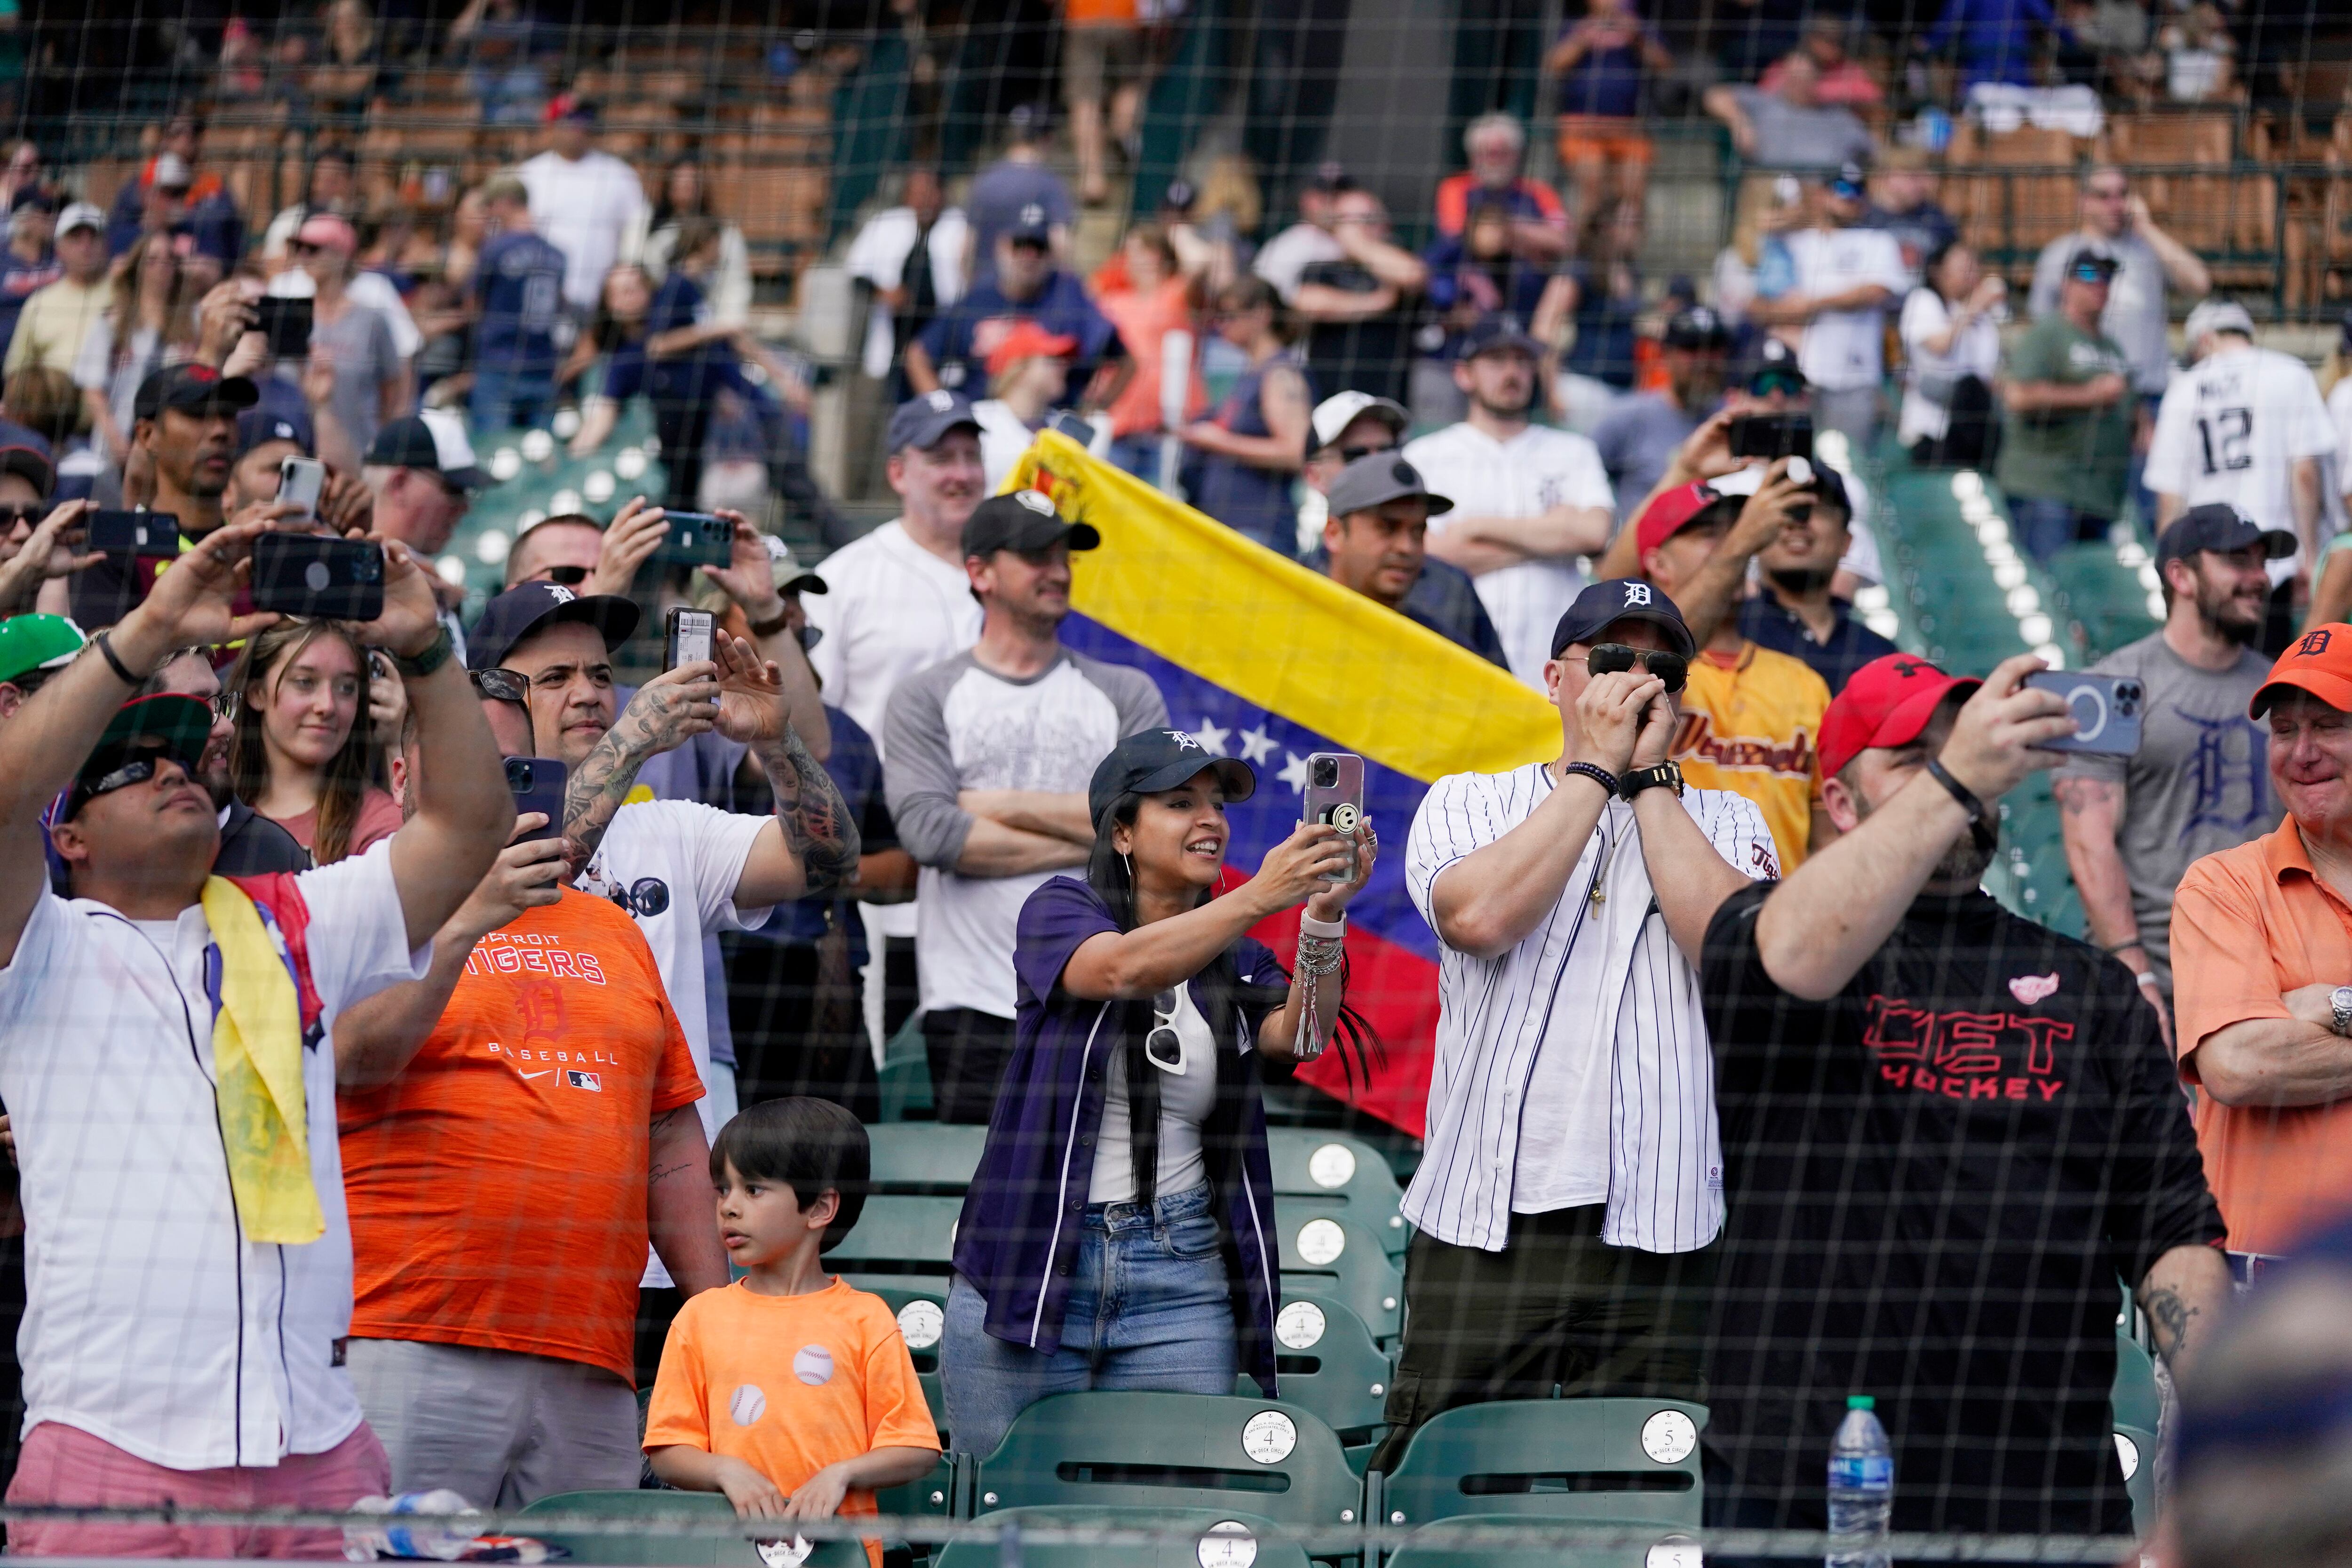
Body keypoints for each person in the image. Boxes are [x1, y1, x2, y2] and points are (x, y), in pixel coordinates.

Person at [0, 518, 510, 1558]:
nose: (177, 771)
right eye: (133, 766)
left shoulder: (290, 919)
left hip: (313, 1445)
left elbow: (467, 825)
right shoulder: (32, 943)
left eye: (191, 753)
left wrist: (423, 651)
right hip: (111, 1449)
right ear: (71, 834)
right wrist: (146, 632)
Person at [1698, 647, 2230, 1537]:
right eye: (1916, 758)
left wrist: (2230, 1415)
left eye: (1970, 755)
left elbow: (2170, 1227)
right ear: (1839, 800)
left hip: (2040, 1496)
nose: (1961, 778)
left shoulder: (2094, 990)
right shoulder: (1779, 942)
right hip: (1805, 1494)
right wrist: (1959, 775)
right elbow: (1788, 954)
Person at [1377, 576, 1777, 1472]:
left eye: (1660, 665)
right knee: (1448, 1481)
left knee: (1651, 1496)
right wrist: (1594, 774)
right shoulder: (1466, 799)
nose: (1636, 678)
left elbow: (1741, 962)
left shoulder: (1729, 817)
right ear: (1556, 677)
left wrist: (1649, 785)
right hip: (1488, 1221)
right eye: (1610, 658)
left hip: (1666, 1222)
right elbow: (1477, 919)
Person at [330, 657, 728, 1505]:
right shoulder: (358, 900)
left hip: (590, 1350)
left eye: (515, 770)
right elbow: (356, 1058)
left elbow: (670, 1138)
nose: (495, 794)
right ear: (401, 776)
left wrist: (720, 1317)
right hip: (408, 1332)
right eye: (470, 770)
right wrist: (470, 914)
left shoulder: (613, 928)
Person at [942, 727, 1375, 1459]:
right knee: (1006, 1520)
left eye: (1217, 805)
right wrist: (1258, 895)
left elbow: (1299, 1036)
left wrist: (1322, 912)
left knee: (1167, 1521)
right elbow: (1114, 972)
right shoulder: (1059, 908)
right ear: (1121, 832)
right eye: (1180, 803)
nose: (1209, 820)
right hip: (1035, 1261)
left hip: (1182, 1274)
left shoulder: (1235, 954)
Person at [885, 491, 1168, 1123]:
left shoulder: (1126, 691)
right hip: (972, 1004)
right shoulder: (926, 696)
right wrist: (1104, 830)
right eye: (1037, 555)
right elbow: (932, 833)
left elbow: (1158, 830)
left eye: (1063, 555)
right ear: (981, 572)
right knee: (992, 1210)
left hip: (1107, 994)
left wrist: (997, 805)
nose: (1060, 570)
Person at [645, 1100, 939, 1549]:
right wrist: (726, 1470)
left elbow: (916, 1448)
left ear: (820, 1207)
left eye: (754, 1189)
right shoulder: (700, 1317)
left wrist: (843, 1475)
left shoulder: (865, 1319)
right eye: (723, 1189)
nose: (729, 1207)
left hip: (840, 1556)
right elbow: (668, 1449)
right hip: (722, 1554)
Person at [2054, 503, 2280, 1048]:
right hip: (2156, 969)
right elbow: (2088, 843)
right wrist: (2135, 970)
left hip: (2266, 974)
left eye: (2260, 562)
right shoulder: (2110, 686)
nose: (2257, 578)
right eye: (2236, 561)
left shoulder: (2282, 691)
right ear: (2179, 576)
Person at [2169, 623, 2352, 1266]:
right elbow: (2238, 1065)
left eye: (2327, 725)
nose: (2301, 752)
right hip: (2263, 1291)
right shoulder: (2222, 885)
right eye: (2283, 731)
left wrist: (2327, 1005)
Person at [1403, 315, 1615, 688]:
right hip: (1457, 660)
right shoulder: (1426, 454)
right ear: (1464, 374)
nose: (1512, 372)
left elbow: (1595, 533)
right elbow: (1428, 556)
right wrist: (1551, 536)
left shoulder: (1573, 449)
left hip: (1554, 666)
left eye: (1522, 361)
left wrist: (1477, 529)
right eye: (1496, 361)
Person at [1632, 474, 1830, 871]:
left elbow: (1825, 834)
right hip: (1662, 914)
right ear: (1658, 562)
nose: (1734, 544)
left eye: (1738, 533)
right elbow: (1653, 664)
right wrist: (1740, 544)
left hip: (1774, 919)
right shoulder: (1632, 664)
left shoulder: (1804, 682)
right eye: (1710, 534)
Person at [2146, 299, 2338, 650]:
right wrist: (2310, 558)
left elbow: (2170, 498)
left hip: (2207, 567)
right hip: (2268, 560)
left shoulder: (2185, 387)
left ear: (2203, 340)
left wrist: (2169, 577)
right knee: (2267, 677)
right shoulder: (2290, 374)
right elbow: (2305, 475)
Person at [806, 393, 986, 750]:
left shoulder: (1019, 570)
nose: (962, 475)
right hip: (879, 798)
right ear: (898, 473)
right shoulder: (839, 579)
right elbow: (817, 723)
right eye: (942, 459)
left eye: (973, 457)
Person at [68, 364, 258, 630]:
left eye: (228, 414)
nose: (221, 431)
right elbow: (101, 664)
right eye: (198, 414)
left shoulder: (259, 547)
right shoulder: (112, 552)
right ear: (148, 435)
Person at [1746, 164, 1906, 449]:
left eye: (1858, 191)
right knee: (1795, 462)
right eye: (1842, 190)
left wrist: (1812, 302)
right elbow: (1759, 306)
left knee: (1848, 465)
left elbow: (1876, 291)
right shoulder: (1795, 243)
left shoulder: (1878, 241)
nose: (1850, 198)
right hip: (1799, 378)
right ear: (1821, 195)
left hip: (1856, 379)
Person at [2029, 167, 2212, 414]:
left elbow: (2200, 283)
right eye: (2104, 197)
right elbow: (2041, 322)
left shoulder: (2147, 249)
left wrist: (2147, 228)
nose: (2116, 205)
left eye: (2123, 195)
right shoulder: (2062, 254)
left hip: (2150, 391)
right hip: (2093, 395)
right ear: (2083, 202)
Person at [1998, 246, 2137, 563]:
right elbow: (2018, 396)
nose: (2099, 284)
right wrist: (2089, 396)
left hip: (2100, 497)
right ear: (2065, 284)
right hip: (2047, 489)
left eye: (2106, 277)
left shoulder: (2112, 346)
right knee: (2054, 588)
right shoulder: (2047, 334)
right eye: (2088, 275)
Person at [226, 619, 403, 865]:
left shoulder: (378, 824)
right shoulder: (213, 814)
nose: (327, 706)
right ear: (257, 693)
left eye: (346, 688)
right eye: (305, 682)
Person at [909, 211, 1125, 408]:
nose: (1029, 256)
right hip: (981, 419)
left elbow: (1124, 356)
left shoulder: (1068, 294)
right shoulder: (979, 297)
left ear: (1051, 254)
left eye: (1038, 248)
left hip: (1049, 423)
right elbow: (918, 353)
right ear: (1002, 247)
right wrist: (942, 410)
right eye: (1020, 245)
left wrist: (1098, 409)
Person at [1313, 453, 1507, 666]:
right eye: (1387, 528)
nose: (1407, 547)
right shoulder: (1289, 619)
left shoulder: (1444, 650)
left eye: (1418, 531)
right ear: (1334, 534)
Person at [144, 640, 312, 876]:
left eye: (220, 705)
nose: (226, 727)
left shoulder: (276, 858)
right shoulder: (82, 856)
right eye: (199, 710)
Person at [1734, 464, 1898, 694]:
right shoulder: (1725, 631)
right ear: (1758, 535)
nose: (1798, 523)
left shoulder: (1881, 655)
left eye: (1814, 509)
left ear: (1847, 542)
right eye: (1786, 510)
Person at [1179, 276, 1311, 553]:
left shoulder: (1280, 374)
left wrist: (1218, 441)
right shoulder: (1253, 372)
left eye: (1229, 315)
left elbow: (1296, 452)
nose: (1221, 325)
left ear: (1262, 314)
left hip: (1259, 531)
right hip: (1231, 530)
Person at [1291, 188, 1428, 409]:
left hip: (1386, 400)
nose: (1361, 227)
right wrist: (1377, 302)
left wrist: (1358, 245)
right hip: (1328, 399)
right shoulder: (1321, 268)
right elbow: (1308, 304)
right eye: (1349, 220)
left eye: (1368, 219)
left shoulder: (1398, 257)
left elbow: (1413, 275)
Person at [1594, 305, 1730, 522]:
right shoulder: (1628, 417)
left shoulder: (1732, 421)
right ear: (1666, 355)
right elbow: (1583, 480)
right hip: (1641, 548)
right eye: (1692, 349)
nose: (1705, 360)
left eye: (1714, 349)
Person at [73, 230, 198, 464]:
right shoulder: (112, 321)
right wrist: (116, 440)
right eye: (152, 259)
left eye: (169, 259)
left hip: (175, 442)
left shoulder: (193, 320)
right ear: (137, 267)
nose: (162, 266)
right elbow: (93, 390)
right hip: (118, 439)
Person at [289, 213, 406, 459]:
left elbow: (395, 389)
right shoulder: (291, 315)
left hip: (359, 450)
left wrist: (386, 445)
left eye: (313, 249)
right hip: (300, 449)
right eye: (298, 247)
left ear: (341, 255)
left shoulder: (371, 320)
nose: (303, 256)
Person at [519, 96, 647, 316]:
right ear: (552, 125)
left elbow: (637, 229)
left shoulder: (619, 174)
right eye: (569, 118)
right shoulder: (529, 175)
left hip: (602, 301)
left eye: (584, 118)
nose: (578, 126)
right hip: (541, 297)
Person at [1545, 0, 1672, 218]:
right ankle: (1587, 249)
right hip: (1582, 127)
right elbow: (1553, 66)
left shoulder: (1640, 28)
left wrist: (1636, 35)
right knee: (1592, 192)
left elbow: (1665, 65)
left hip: (1629, 127)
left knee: (1632, 197)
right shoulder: (1574, 27)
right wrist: (1582, 38)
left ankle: (1625, 250)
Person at [1094, 223, 1201, 479]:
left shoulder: (1176, 294)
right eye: (1132, 252)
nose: (1138, 260)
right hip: (1123, 424)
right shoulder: (1112, 302)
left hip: (1171, 426)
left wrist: (1179, 232)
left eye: (1147, 252)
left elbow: (1202, 263)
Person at [1533, 198, 1648, 433]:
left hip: (1624, 393)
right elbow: (1545, 327)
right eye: (1630, 223)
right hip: (1583, 388)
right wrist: (1551, 388)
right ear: (1606, 226)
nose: (1637, 231)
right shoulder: (1581, 269)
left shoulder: (1632, 271)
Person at [844, 167, 967, 386]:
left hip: (942, 334)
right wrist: (883, 292)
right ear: (907, 196)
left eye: (930, 192)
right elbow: (856, 273)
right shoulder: (886, 225)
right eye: (917, 193)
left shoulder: (962, 227)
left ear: (942, 194)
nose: (924, 200)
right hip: (895, 338)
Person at [470, 173, 568, 433]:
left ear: (505, 202)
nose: (489, 213)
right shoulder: (557, 254)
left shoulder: (495, 249)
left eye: (491, 205)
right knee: (540, 458)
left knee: (492, 455)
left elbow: (474, 305)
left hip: (499, 366)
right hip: (542, 366)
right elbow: (561, 306)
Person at [1899, 237, 2005, 467]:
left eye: (1974, 267)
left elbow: (1989, 373)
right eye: (1963, 267)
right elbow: (1940, 346)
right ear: (1938, 271)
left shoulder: (1981, 316)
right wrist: (1975, 306)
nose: (1971, 274)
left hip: (1977, 429)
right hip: (1933, 431)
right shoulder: (1923, 301)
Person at [1701, 53, 1877, 174]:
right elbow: (1714, 96)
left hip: (1829, 191)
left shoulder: (1837, 116)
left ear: (1816, 80)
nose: (1797, 83)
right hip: (1772, 186)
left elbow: (1873, 152)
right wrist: (1739, 121)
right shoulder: (1764, 102)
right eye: (1792, 77)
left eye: (1804, 78)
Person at [1430, 113, 1568, 264]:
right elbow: (1457, 236)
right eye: (1487, 153)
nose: (1494, 161)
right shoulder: (1454, 188)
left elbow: (1564, 240)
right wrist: (1529, 240)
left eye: (1501, 153)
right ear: (1472, 156)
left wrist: (1509, 229)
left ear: (1517, 154)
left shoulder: (1540, 192)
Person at [639, 158, 752, 328]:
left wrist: (729, 325)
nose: (685, 189)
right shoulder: (654, 234)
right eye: (679, 183)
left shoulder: (725, 235)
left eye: (691, 183)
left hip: (714, 326)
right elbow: (650, 278)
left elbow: (736, 284)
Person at [964, 104, 1075, 278]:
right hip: (1032, 298)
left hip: (986, 291)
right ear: (1048, 138)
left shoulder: (985, 181)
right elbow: (1060, 244)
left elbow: (967, 248)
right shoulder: (1049, 184)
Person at [971, 319, 1079, 494]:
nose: (1063, 367)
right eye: (1052, 359)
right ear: (1020, 368)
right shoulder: (977, 420)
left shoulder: (1068, 428)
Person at [2, 202, 103, 379]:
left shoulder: (120, 291)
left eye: (93, 237)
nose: (85, 246)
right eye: (45, 213)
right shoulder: (5, 261)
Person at [1061, 0, 1144, 208]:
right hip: (1126, 19)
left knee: (1085, 100)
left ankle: (1093, 181)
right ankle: (1121, 136)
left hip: (1084, 20)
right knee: (1128, 86)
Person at [1251, 165, 1351, 307]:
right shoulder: (1288, 246)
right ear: (1306, 200)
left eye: (1339, 196)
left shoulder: (1356, 240)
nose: (1333, 204)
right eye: (1325, 197)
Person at [1862, 147, 1959, 283]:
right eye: (1913, 176)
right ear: (1885, 176)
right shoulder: (1861, 218)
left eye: (1925, 176)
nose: (1925, 184)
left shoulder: (1936, 218)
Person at [259, 147, 358, 262]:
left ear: (352, 182)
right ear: (313, 182)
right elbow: (271, 264)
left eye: (334, 180)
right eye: (322, 179)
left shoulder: (364, 218)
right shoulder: (290, 219)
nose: (326, 187)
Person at [0, 193, 56, 363]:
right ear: (24, 220)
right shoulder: (3, 260)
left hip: (49, 356)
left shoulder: (59, 259)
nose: (53, 219)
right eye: (45, 215)